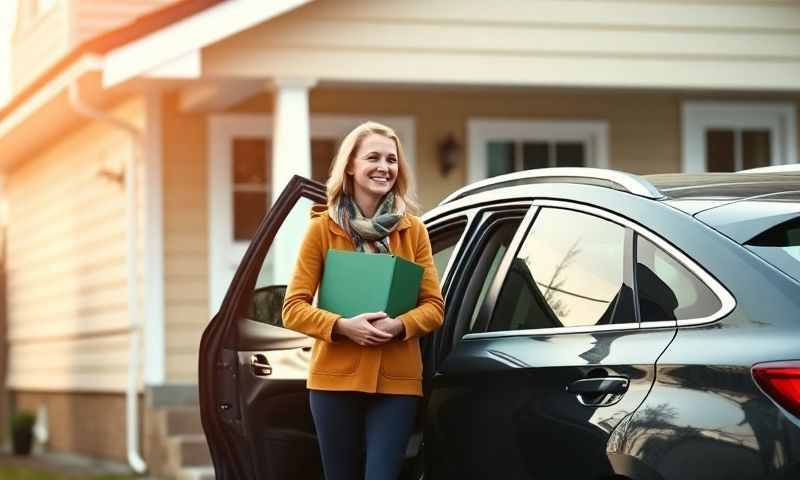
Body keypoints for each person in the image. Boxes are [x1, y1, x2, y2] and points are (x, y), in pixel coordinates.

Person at [282, 121, 444, 480]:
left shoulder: (413, 230)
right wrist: (342, 327)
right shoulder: (322, 229)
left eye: (392, 159)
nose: (384, 167)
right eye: (373, 157)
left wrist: (399, 325)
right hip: (333, 384)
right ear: (351, 166)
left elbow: (434, 307)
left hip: (396, 385)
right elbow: (293, 308)